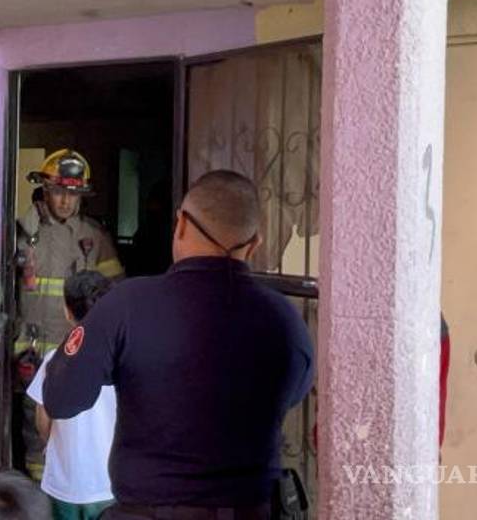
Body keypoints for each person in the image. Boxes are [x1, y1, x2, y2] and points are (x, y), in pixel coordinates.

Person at [44, 170, 314, 519]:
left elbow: (61, 398)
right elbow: (292, 394)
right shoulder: (285, 319)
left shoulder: (126, 306)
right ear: (255, 243)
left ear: (181, 225)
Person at [14, 149, 124, 480]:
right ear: (45, 190)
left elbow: (115, 294)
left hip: (80, 349)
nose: (65, 201)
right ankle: (39, 495)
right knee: (35, 430)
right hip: (33, 348)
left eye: (73, 194)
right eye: (59, 192)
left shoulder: (93, 238)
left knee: (79, 426)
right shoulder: (23, 233)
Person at [27, 271, 116, 520]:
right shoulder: (123, 360)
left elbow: (42, 420)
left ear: (67, 311)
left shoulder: (54, 360)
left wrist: (54, 443)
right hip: (108, 484)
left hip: (63, 483)